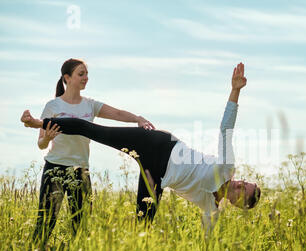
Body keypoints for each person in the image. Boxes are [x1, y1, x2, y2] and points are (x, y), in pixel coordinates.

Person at [21, 63, 261, 235]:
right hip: (158, 145)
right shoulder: (227, 167)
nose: (239, 184)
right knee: (96, 131)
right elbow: (226, 128)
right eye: (244, 182)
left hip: (155, 178)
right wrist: (236, 90)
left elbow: (209, 243)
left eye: (243, 191)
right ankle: (37, 122)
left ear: (238, 204)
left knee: (143, 226)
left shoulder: (211, 208)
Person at [32, 58, 155, 247]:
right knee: (46, 222)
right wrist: (47, 138)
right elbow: (41, 143)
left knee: (80, 226)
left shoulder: (90, 105)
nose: (86, 78)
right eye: (81, 74)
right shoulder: (53, 106)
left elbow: (117, 114)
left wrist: (137, 119)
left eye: (86, 74)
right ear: (67, 78)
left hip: (80, 170)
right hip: (54, 168)